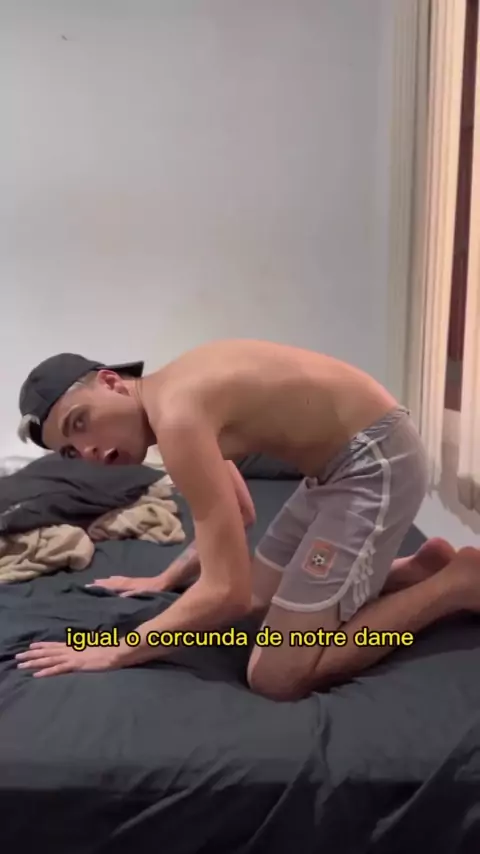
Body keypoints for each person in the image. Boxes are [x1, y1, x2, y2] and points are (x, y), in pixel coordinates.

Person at [14, 341, 480, 699]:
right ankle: (416, 571)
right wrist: (165, 579)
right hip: (334, 470)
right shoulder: (175, 394)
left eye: (80, 422)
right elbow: (237, 512)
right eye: (71, 451)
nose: (89, 450)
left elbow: (226, 592)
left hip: (374, 463)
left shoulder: (177, 417)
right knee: (260, 598)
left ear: (111, 382)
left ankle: (454, 584)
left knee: (276, 675)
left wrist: (115, 651)